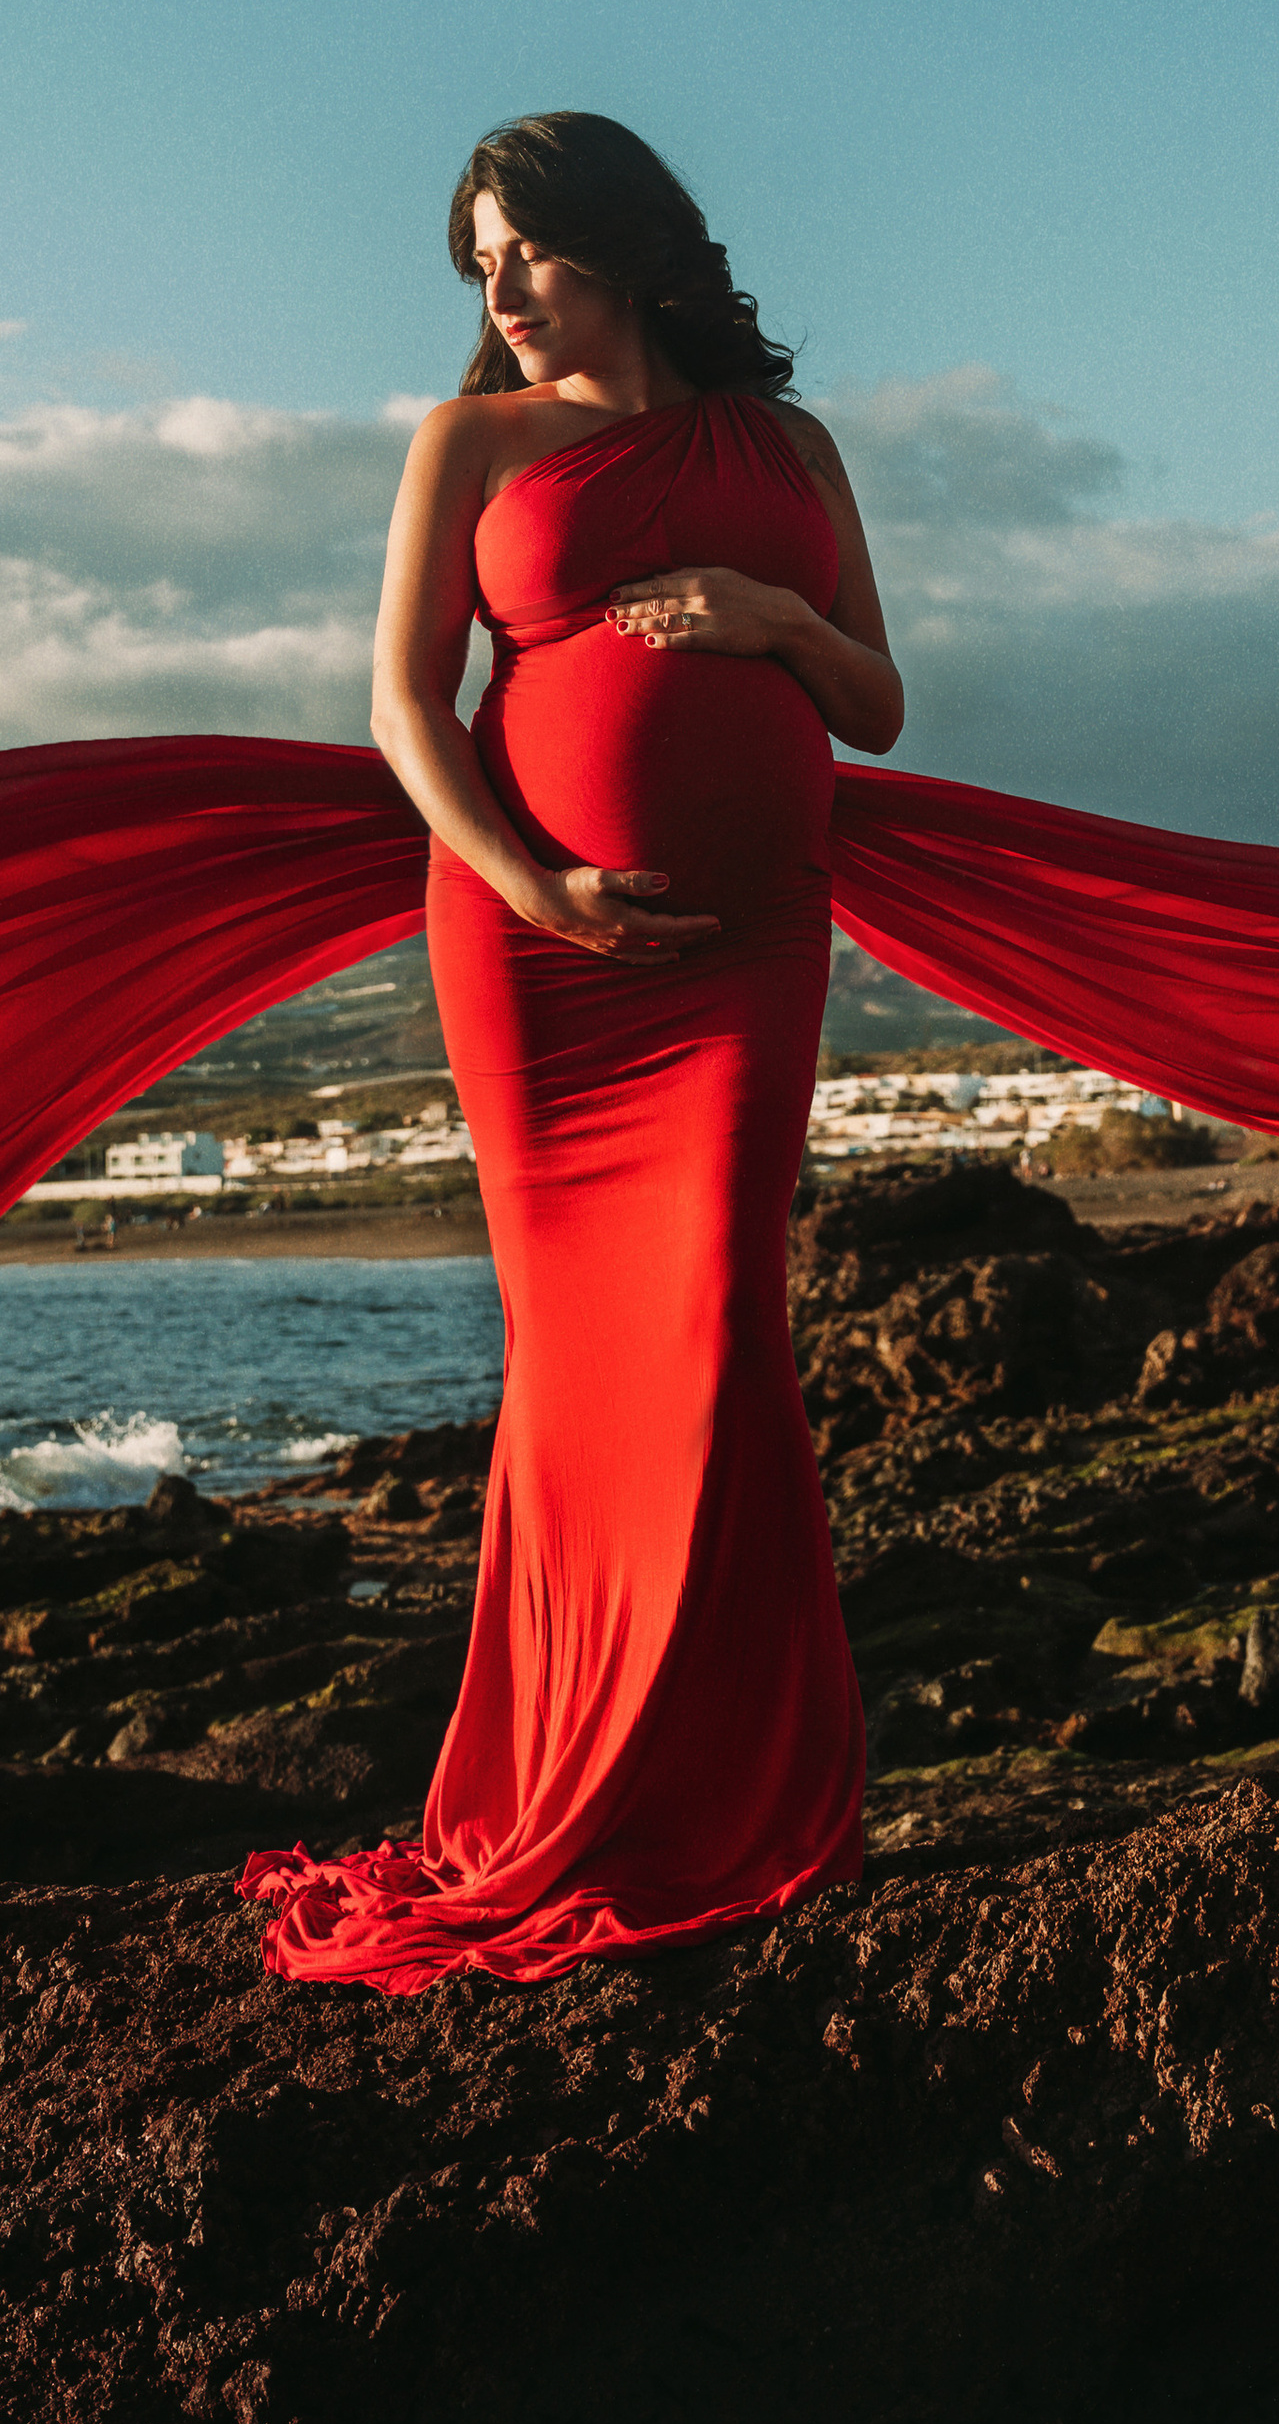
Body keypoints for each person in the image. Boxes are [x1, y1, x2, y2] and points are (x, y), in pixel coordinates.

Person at [240, 111, 904, 1989]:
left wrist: (774, 616)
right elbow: (404, 706)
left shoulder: (790, 450)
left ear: (629, 241)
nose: (506, 291)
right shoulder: (470, 443)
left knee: (718, 1328)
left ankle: (730, 1793)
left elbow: (876, 703)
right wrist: (532, 884)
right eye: (481, 265)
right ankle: (573, 1783)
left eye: (528, 249)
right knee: (581, 1358)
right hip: (536, 957)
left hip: (750, 950)